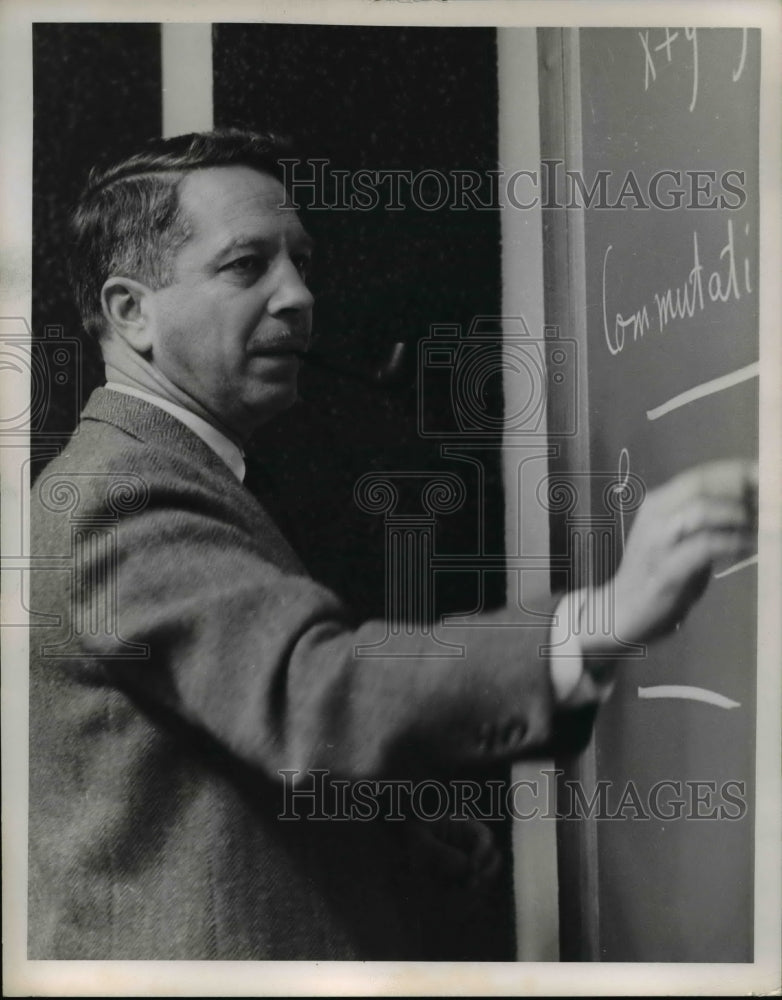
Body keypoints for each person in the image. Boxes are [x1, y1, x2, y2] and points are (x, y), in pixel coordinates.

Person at [28, 129, 757, 960]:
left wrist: (391, 824)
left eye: (300, 260)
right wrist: (607, 614)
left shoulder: (171, 475)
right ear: (131, 312)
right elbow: (308, 695)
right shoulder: (114, 497)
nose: (298, 295)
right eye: (246, 266)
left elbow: (212, 747)